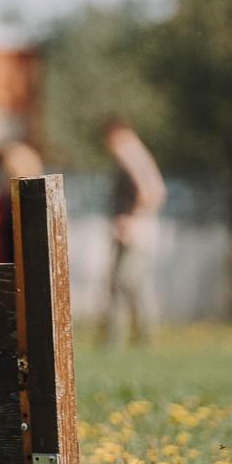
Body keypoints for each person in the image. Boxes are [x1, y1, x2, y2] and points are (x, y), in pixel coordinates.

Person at [101, 118, 166, 346]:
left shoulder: (130, 154)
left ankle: (123, 338)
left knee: (125, 283)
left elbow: (152, 192)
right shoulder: (138, 154)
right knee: (134, 284)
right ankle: (136, 336)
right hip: (138, 232)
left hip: (134, 234)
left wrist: (133, 220)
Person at [0, 141, 44, 264]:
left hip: (24, 264)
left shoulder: (32, 205)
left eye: (7, 171)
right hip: (4, 264)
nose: (3, 176)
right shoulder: (0, 202)